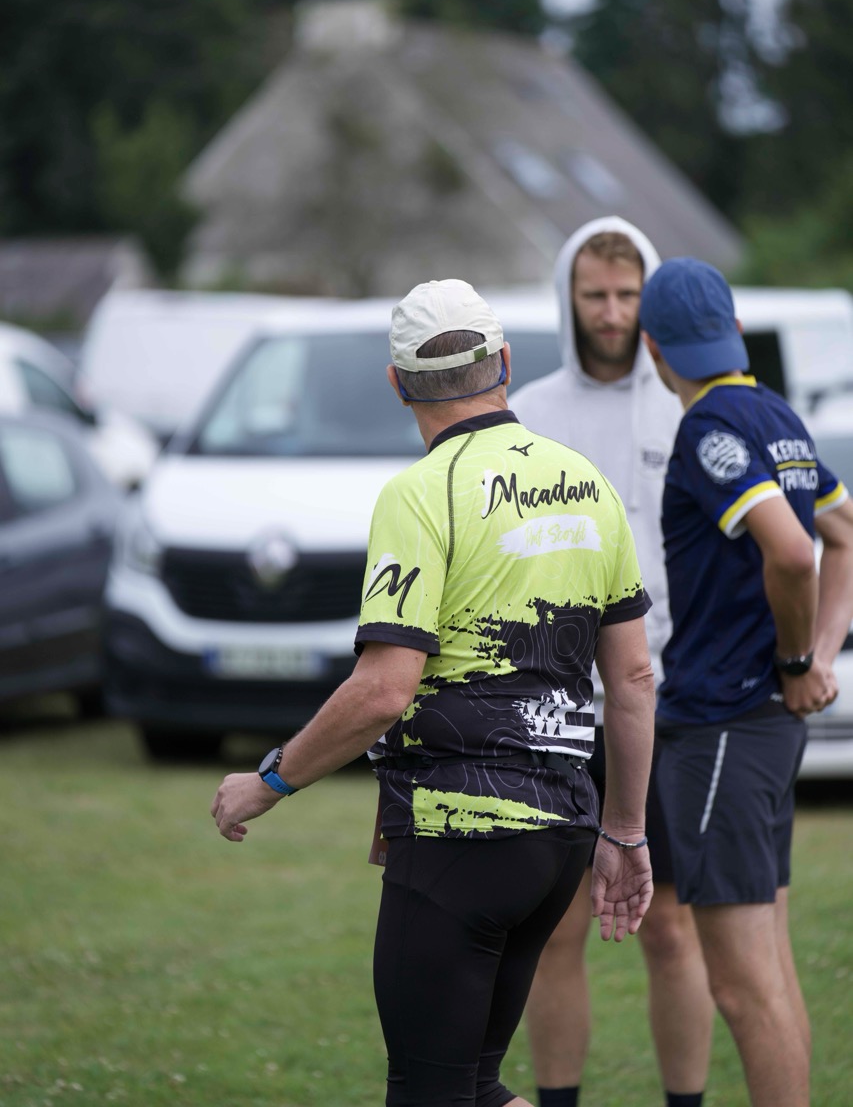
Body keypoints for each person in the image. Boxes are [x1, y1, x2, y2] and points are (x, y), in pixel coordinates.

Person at [211, 277, 658, 1107]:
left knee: (428, 1091)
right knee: (472, 1088)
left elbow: (384, 689)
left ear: (396, 383)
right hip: (561, 835)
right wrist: (624, 831)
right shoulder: (586, 483)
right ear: (505, 363)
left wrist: (270, 780)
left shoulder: (419, 494)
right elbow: (631, 677)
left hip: (463, 836)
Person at [639, 257, 853, 1107]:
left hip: (721, 725)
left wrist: (802, 660)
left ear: (653, 348)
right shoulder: (777, 413)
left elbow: (795, 552)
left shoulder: (708, 428)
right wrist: (821, 654)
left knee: (741, 987)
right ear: (730, 330)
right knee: (772, 973)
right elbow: (843, 531)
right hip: (762, 728)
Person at [512, 218, 714, 1107]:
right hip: (555, 706)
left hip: (664, 702)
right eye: (593, 294)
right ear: (567, 297)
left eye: (626, 295)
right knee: (554, 929)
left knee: (670, 929)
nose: (610, 312)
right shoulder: (529, 416)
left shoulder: (684, 410)